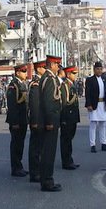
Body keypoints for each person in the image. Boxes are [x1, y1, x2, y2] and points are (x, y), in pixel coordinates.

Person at [37, 55, 63, 192]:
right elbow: (48, 102)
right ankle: (47, 181)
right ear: (52, 64)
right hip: (50, 122)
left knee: (48, 151)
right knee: (48, 152)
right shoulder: (49, 79)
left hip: (51, 120)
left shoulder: (49, 78)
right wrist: (49, 122)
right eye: (57, 65)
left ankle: (46, 178)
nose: (58, 67)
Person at [5, 64, 30, 177]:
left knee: (20, 144)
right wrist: (14, 122)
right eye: (23, 71)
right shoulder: (13, 86)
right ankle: (15, 168)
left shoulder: (22, 84)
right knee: (16, 144)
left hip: (23, 119)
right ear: (17, 73)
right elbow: (12, 105)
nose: (25, 73)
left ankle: (19, 166)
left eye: (26, 71)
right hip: (16, 120)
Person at [85, 62, 106, 152]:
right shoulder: (90, 80)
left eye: (100, 69)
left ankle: (103, 143)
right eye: (97, 69)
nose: (99, 71)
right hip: (94, 104)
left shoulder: (105, 79)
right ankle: (92, 145)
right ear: (94, 70)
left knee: (103, 125)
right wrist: (88, 104)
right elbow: (87, 93)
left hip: (103, 104)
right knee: (93, 125)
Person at [59, 65, 81, 170]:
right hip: (67, 118)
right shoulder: (64, 86)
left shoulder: (72, 84)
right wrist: (63, 119)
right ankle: (66, 162)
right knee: (66, 140)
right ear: (68, 74)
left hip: (72, 117)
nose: (76, 75)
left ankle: (69, 160)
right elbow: (63, 103)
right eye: (74, 73)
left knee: (69, 139)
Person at [27, 60, 45, 183]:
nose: (45, 70)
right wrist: (34, 121)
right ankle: (34, 173)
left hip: (41, 119)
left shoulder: (41, 82)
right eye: (44, 68)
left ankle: (38, 170)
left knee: (40, 147)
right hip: (37, 120)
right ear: (38, 69)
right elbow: (34, 104)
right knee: (35, 148)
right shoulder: (36, 84)